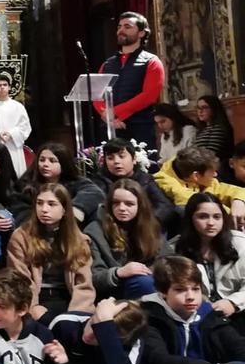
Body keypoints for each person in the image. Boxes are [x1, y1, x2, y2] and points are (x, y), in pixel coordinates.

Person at [139, 255, 245, 364]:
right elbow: (159, 361)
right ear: (162, 292)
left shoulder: (209, 315)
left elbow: (238, 345)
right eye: (180, 290)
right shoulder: (150, 317)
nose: (190, 296)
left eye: (195, 289)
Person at [7, 183, 96, 321]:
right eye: (39, 203)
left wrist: (75, 315)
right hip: (37, 297)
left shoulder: (79, 240)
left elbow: (83, 284)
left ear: (64, 209)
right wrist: (33, 307)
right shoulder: (20, 236)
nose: (44, 209)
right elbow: (21, 279)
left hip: (67, 296)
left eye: (51, 204)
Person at [85, 178, 171, 299]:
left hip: (150, 281)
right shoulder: (95, 230)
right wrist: (119, 272)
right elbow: (93, 278)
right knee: (144, 283)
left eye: (129, 204)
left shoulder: (151, 227)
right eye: (116, 203)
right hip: (113, 292)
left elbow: (167, 260)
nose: (122, 208)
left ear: (140, 205)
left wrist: (146, 270)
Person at [92, 12, 165, 150]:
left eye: (127, 26)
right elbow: (97, 94)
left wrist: (116, 112)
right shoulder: (107, 64)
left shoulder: (152, 61)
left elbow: (149, 96)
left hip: (139, 127)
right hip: (110, 127)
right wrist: (108, 117)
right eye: (119, 26)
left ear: (142, 33)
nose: (121, 30)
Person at [172, 193, 245, 322]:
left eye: (217, 217)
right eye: (203, 217)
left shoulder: (240, 243)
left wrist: (233, 302)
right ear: (191, 219)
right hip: (198, 313)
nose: (211, 223)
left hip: (238, 309)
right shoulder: (176, 248)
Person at [90, 138, 177, 233]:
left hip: (145, 229)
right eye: (110, 158)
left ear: (134, 159)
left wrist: (146, 223)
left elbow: (165, 206)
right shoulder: (99, 181)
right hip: (112, 230)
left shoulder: (145, 179)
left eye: (121, 156)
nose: (116, 161)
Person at [155, 146, 245, 228]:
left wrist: (239, 202)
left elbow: (229, 190)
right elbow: (193, 200)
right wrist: (230, 214)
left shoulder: (200, 179)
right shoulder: (163, 181)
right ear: (196, 176)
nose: (216, 174)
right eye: (212, 172)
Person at [19, 143, 104, 225]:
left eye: (52, 161)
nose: (45, 164)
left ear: (64, 164)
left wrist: (73, 213)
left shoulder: (76, 182)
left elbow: (95, 193)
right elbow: (20, 211)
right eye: (42, 160)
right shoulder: (26, 184)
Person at [0, 73, 33, 177]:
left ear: (9, 87)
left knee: (14, 174)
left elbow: (25, 126)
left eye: (5, 85)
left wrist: (11, 134)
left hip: (13, 145)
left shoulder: (18, 106)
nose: (2, 87)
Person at [193, 94, 237, 167]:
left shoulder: (219, 128)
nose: (200, 111)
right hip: (203, 165)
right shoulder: (203, 129)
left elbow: (211, 153)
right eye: (198, 108)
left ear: (214, 109)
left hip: (216, 168)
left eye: (204, 107)